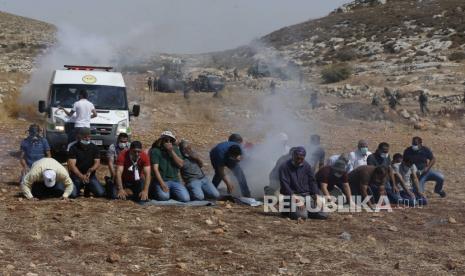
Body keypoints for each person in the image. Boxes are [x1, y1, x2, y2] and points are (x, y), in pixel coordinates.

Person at [279, 147, 327, 220]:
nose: (299, 160)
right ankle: (288, 209)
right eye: (297, 158)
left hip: (306, 195)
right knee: (302, 216)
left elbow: (312, 181)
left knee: (323, 214)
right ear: (293, 156)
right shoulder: (284, 166)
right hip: (293, 196)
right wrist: (296, 198)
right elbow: (284, 185)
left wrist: (316, 195)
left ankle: (306, 210)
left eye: (302, 158)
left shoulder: (306, 166)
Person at [149, 131, 190, 202]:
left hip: (175, 180)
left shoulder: (175, 149)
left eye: (170, 140)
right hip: (161, 180)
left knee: (185, 199)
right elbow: (155, 169)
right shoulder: (156, 151)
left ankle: (171, 192)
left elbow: (181, 165)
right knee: (164, 197)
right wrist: (162, 184)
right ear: (161, 141)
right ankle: (156, 190)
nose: (168, 142)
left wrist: (171, 151)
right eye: (166, 140)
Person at [67, 127, 105, 198]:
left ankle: (88, 187)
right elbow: (72, 165)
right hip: (77, 176)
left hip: (90, 176)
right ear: (79, 137)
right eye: (85, 137)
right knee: (73, 195)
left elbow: (97, 162)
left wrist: (91, 170)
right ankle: (79, 187)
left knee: (100, 193)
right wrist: (81, 176)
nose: (87, 139)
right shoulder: (73, 148)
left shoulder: (94, 147)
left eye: (89, 137)